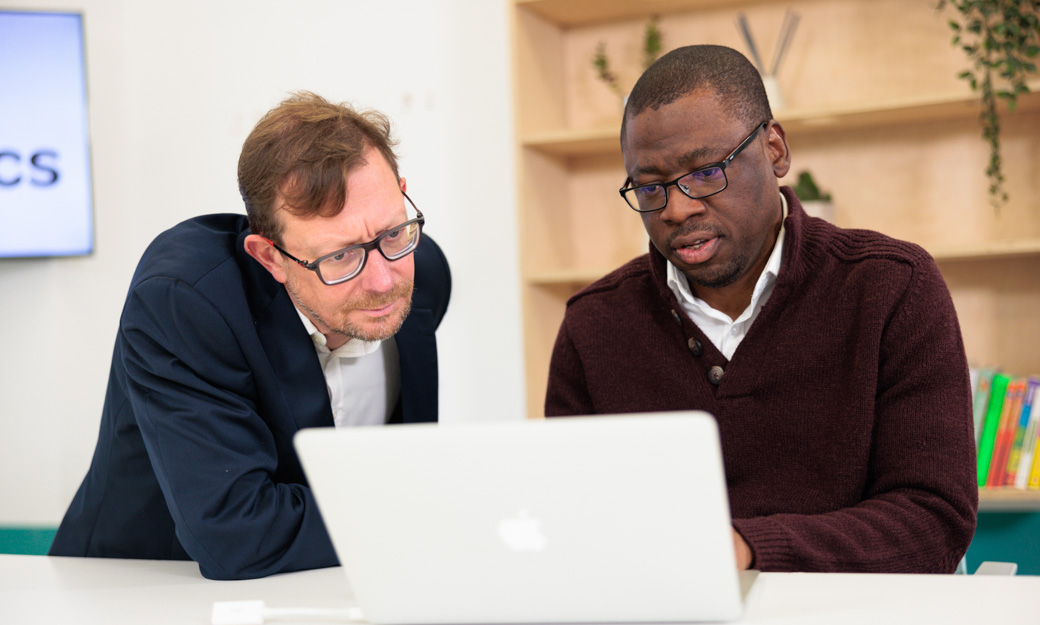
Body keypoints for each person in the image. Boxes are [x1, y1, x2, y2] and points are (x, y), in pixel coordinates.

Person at [544, 45, 977, 573]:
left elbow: (934, 520)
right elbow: (574, 522)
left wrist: (749, 550)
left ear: (774, 149)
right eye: (650, 187)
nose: (677, 209)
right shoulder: (594, 325)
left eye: (704, 173)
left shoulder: (891, 287)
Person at [49, 92, 451, 580]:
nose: (384, 280)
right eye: (340, 257)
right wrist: (420, 512)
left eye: (392, 233)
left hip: (329, 586)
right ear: (269, 256)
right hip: (139, 588)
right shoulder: (187, 300)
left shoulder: (422, 271)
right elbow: (235, 534)